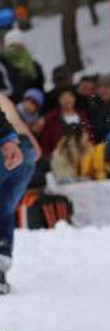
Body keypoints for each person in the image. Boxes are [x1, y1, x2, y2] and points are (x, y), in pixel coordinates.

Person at [0, 93, 39, 295]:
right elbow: (37, 150)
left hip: (7, 145)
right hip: (23, 150)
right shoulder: (5, 99)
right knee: (4, 210)